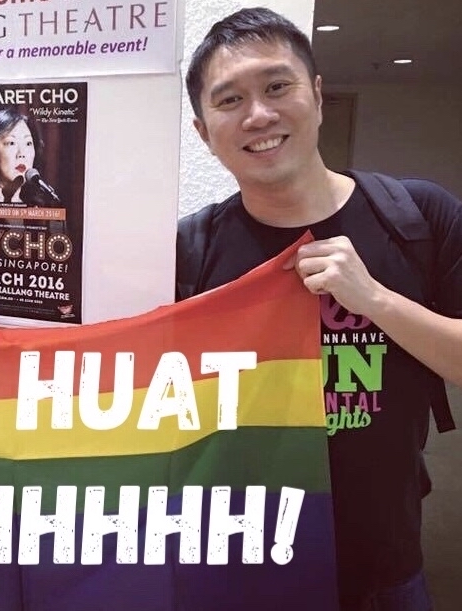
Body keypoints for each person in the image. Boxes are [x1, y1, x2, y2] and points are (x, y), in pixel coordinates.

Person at [177, 7, 462, 611]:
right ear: (204, 131)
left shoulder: (420, 216)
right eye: (230, 100)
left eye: (277, 86)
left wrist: (375, 300)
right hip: (237, 562)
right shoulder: (186, 251)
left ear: (317, 94)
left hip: (383, 566)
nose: (259, 115)